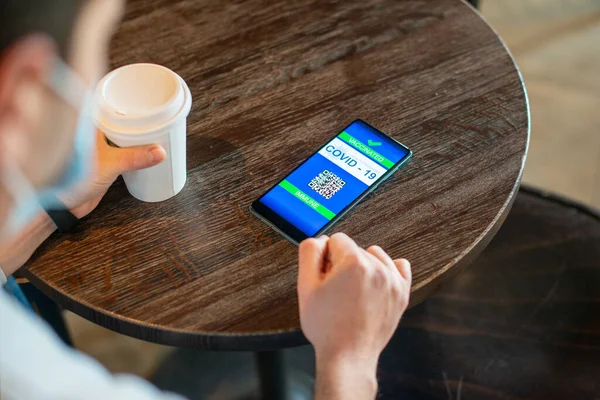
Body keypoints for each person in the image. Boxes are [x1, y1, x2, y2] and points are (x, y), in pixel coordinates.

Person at [0, 1, 412, 399]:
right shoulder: (32, 381)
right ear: (23, 90)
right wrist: (350, 360)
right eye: (99, 45)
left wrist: (52, 206)